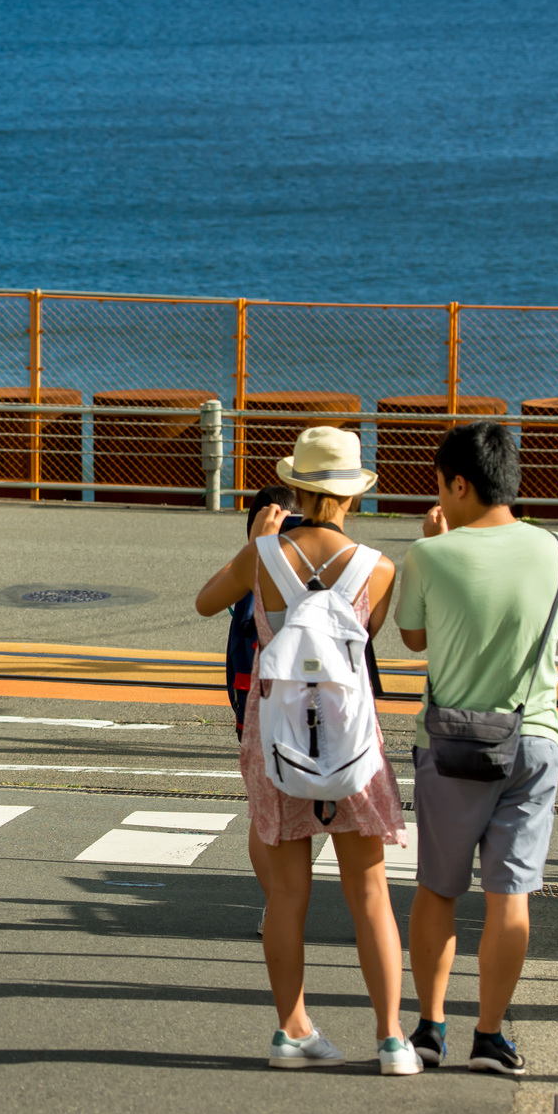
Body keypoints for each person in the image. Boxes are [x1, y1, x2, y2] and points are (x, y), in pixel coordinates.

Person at [196, 426, 417, 1075]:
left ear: (293, 487)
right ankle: (392, 1039)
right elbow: (363, 640)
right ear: (352, 494)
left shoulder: (263, 554)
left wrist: (260, 546)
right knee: (369, 888)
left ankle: (292, 1029)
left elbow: (208, 603)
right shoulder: (379, 568)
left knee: (288, 893)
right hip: (350, 738)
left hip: (276, 735)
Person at [395, 421, 558, 1075]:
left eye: (440, 486)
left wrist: (437, 545)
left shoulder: (430, 556)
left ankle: (428, 1030)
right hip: (535, 738)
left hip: (450, 746)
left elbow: (415, 639)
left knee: (438, 891)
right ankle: (492, 1037)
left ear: (459, 484)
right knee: (512, 894)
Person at [225, 485, 298, 735]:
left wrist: (255, 547)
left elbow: (205, 602)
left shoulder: (247, 572)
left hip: (254, 704)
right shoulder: (309, 571)